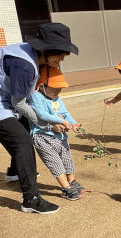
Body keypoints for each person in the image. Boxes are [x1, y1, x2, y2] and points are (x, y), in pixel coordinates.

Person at [0, 22, 79, 213]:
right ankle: (31, 199)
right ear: (47, 50)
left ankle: (15, 171)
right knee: (22, 142)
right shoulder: (24, 65)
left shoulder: (31, 55)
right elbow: (20, 104)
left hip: (4, 97)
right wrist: (47, 125)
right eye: (60, 55)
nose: (61, 60)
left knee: (22, 130)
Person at [30, 65, 84, 200]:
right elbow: (41, 114)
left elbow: (65, 113)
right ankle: (67, 188)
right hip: (42, 137)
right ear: (42, 85)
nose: (57, 91)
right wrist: (59, 121)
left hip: (60, 136)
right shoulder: (36, 96)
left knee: (67, 159)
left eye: (60, 88)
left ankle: (72, 181)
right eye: (54, 88)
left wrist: (72, 123)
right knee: (55, 163)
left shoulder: (57, 99)